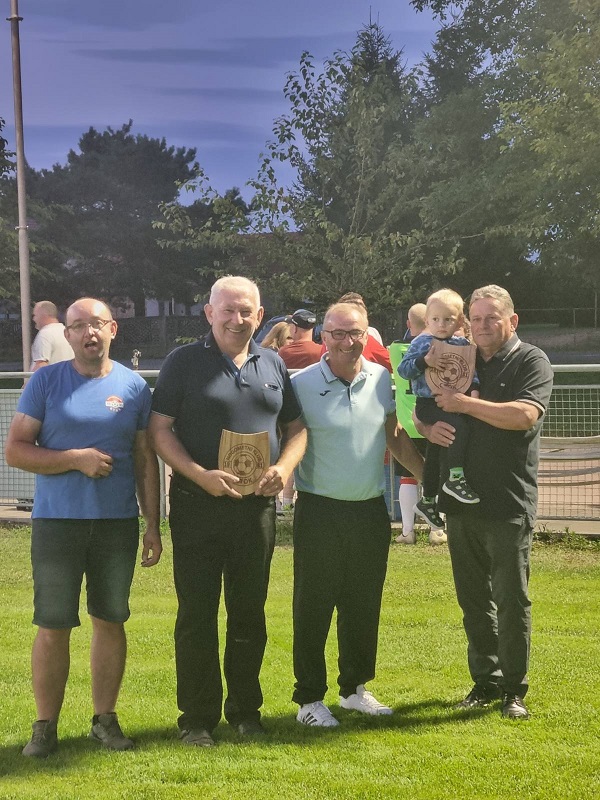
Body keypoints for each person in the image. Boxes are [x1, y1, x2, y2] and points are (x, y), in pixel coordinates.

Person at [148, 275, 307, 746]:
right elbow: (159, 430)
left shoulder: (273, 362)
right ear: (209, 313)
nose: (237, 319)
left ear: (260, 316)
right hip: (197, 505)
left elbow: (297, 429)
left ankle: (245, 712)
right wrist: (199, 475)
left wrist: (283, 467)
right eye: (228, 310)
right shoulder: (182, 362)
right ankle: (196, 719)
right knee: (196, 615)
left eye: (246, 311)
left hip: (255, 512)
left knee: (248, 613)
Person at [5, 297, 162, 758]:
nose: (89, 333)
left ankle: (104, 720)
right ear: (67, 335)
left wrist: (153, 524)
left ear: (113, 329)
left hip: (116, 524)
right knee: (53, 625)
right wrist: (75, 459)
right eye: (78, 326)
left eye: (97, 324)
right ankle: (44, 726)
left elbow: (145, 460)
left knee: (111, 621)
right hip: (57, 524)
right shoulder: (46, 381)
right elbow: (16, 450)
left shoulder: (134, 386)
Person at [420, 285, 553, 719]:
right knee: (473, 601)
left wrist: (464, 405)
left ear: (512, 321)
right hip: (460, 503)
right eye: (474, 318)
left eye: (491, 318)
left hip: (507, 502)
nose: (481, 326)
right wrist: (428, 428)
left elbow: (524, 416)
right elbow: (422, 403)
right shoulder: (461, 355)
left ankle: (514, 689)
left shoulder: (530, 360)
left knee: (511, 601)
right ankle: (485, 681)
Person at [290, 302, 424, 727]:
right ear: (322, 336)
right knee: (313, 606)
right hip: (318, 509)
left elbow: (395, 436)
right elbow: (284, 439)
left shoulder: (383, 379)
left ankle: (354, 689)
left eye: (356, 333)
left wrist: (429, 478)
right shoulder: (299, 384)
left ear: (368, 335)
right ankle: (309, 699)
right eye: (338, 333)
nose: (347, 342)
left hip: (369, 509)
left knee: (363, 604)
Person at [399, 289, 480, 531]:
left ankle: (427, 500)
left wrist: (474, 390)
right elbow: (404, 370)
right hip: (428, 404)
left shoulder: (462, 344)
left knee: (435, 451)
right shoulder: (422, 343)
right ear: (427, 320)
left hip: (453, 401)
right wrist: (425, 361)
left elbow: (469, 371)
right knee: (458, 428)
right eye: (435, 319)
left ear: (459, 321)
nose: (441, 325)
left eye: (448, 319)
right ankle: (455, 477)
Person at [390, 302, 445, 544]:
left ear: (408, 324)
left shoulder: (395, 349)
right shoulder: (438, 347)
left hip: (405, 421)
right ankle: (436, 530)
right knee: (438, 474)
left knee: (407, 477)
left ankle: (407, 531)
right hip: (433, 419)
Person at [319, 293, 392, 371]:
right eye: (339, 334)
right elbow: (393, 365)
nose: (348, 342)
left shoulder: (370, 333)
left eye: (362, 306)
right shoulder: (330, 340)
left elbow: (390, 363)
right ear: (324, 338)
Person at [30, 300, 74, 372]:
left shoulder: (44, 334)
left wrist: (29, 379)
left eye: (35, 315)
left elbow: (41, 366)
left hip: (52, 379)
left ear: (43, 315)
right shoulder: (67, 332)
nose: (34, 319)